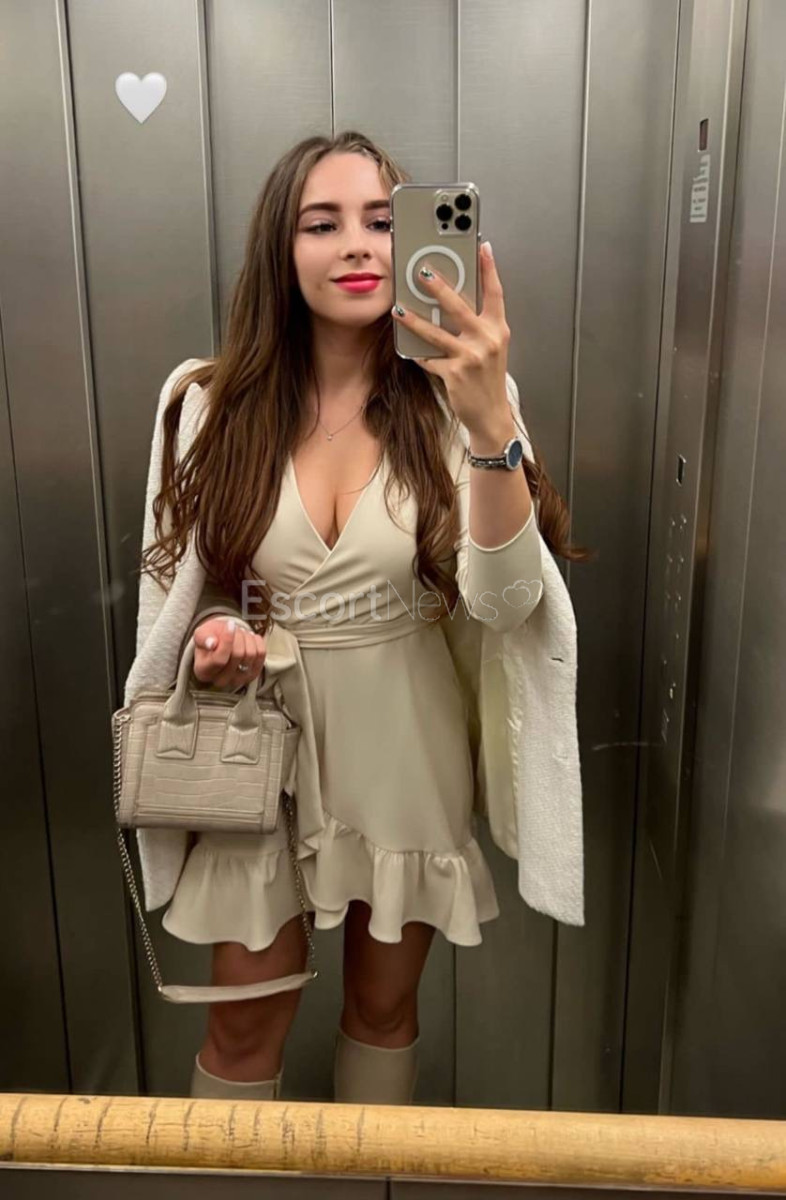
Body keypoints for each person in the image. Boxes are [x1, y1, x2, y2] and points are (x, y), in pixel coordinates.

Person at [127, 130, 590, 1106]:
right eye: (321, 223)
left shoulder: (459, 399)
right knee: (239, 1024)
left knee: (382, 1011)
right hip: (259, 741)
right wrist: (216, 642)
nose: (357, 246)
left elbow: (507, 602)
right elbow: (185, 595)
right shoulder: (209, 405)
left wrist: (490, 426)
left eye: (382, 221)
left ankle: (366, 1176)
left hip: (406, 742)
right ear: (281, 248)